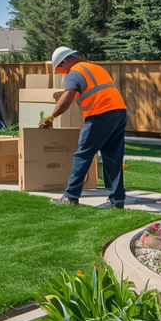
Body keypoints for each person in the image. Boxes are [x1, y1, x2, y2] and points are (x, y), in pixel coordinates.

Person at [42, 47, 127, 209]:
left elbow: (68, 97)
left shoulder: (74, 72)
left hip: (100, 115)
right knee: (113, 158)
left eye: (61, 68)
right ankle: (117, 201)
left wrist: (52, 116)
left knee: (82, 155)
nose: (63, 72)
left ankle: (70, 196)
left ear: (65, 61)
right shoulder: (95, 68)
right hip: (119, 112)